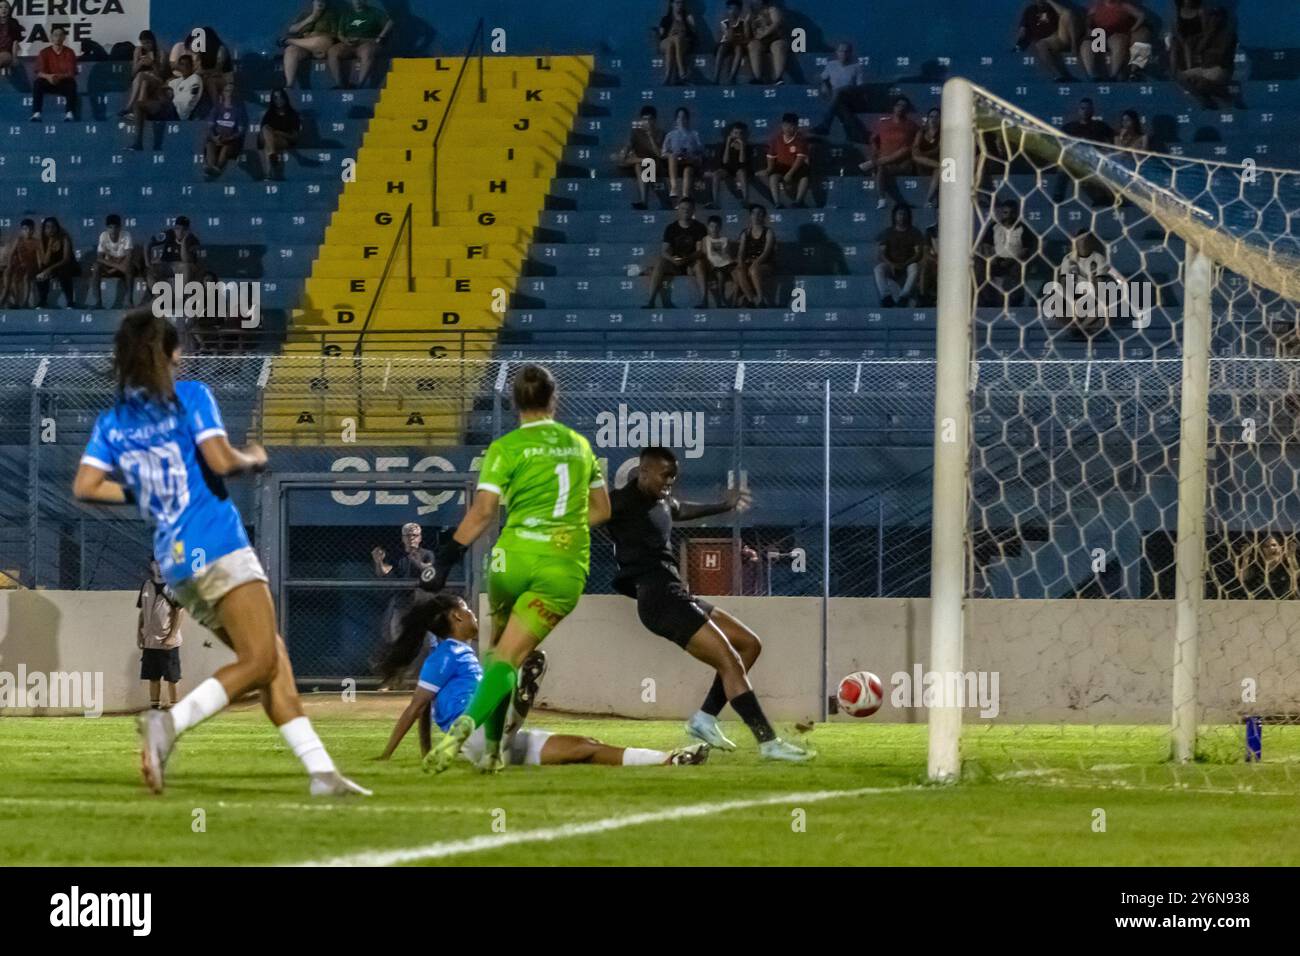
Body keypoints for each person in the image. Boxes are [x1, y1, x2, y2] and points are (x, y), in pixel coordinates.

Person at [73, 309, 369, 797]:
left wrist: (144, 493)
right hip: (217, 542)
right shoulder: (190, 397)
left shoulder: (113, 422)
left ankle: (322, 773)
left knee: (271, 658)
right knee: (258, 660)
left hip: (176, 562)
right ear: (168, 354)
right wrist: (255, 457)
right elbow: (220, 460)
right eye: (178, 349)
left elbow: (86, 486)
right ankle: (167, 726)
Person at [416, 364, 612, 775]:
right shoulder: (579, 446)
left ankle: (491, 752)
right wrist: (564, 528)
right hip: (561, 564)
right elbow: (601, 510)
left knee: (497, 658)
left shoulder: (504, 449)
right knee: (512, 659)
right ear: (554, 399)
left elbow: (483, 513)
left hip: (512, 559)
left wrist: (446, 560)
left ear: (513, 403)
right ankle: (467, 729)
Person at [605, 447, 813, 762]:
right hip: (659, 599)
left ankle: (704, 719)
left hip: (675, 593)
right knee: (729, 660)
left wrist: (724, 505)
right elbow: (588, 515)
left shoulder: (661, 500)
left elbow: (680, 509)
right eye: (664, 476)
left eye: (673, 478)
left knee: (748, 645)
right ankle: (768, 742)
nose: (669, 483)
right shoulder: (620, 502)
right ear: (643, 472)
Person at [376, 591, 709, 767]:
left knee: (584, 748)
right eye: (470, 611)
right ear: (458, 616)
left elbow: (423, 711)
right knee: (504, 670)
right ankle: (509, 714)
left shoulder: (456, 654)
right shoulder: (446, 654)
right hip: (475, 735)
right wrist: (388, 754)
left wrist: (425, 752)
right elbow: (415, 708)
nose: (475, 616)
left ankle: (669, 759)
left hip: (486, 745)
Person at [645, 196, 708, 309]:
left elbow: (700, 250)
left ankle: (704, 300)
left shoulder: (700, 227)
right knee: (660, 262)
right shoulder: (671, 228)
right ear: (678, 210)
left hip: (691, 263)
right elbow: (664, 251)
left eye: (688, 209)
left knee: (699, 263)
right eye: (683, 208)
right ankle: (651, 301)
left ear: (693, 211)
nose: (685, 211)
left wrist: (686, 259)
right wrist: (673, 260)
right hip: (674, 263)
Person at [138, 558, 183, 711]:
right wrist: (139, 633)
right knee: (153, 676)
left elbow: (179, 612)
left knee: (172, 676)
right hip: (150, 641)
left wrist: (172, 635)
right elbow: (142, 612)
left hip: (167, 642)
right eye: (155, 563)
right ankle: (154, 707)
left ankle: (175, 707)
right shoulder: (146, 586)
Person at [860, 96, 918, 210]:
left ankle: (873, 164)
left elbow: (913, 147)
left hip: (902, 163)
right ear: (894, 107)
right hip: (884, 162)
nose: (901, 108)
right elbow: (873, 141)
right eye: (899, 105)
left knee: (904, 150)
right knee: (882, 167)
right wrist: (874, 152)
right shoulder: (883, 123)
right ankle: (882, 199)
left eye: (904, 106)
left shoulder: (912, 126)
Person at [977, 199, 1035, 308]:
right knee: (979, 266)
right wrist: (992, 258)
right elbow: (985, 245)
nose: (1008, 216)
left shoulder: (1024, 229)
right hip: (994, 260)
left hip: (1014, 262)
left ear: (1017, 213)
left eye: (1011, 213)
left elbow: (1026, 250)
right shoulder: (994, 227)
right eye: (1005, 213)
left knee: (1018, 268)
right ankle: (987, 301)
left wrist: (1011, 260)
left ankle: (1012, 302)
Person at [1080, 0, 1151, 81]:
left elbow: (1141, 16)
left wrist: (1132, 29)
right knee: (1086, 44)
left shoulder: (1124, 5)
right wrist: (1089, 29)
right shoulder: (1096, 6)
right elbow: (1088, 20)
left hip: (1116, 34)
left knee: (1119, 42)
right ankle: (1093, 76)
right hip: (1100, 35)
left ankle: (1114, 75)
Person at [811, 42, 869, 142]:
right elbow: (822, 78)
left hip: (851, 95)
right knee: (841, 106)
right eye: (841, 51)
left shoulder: (856, 67)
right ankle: (858, 135)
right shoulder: (831, 65)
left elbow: (861, 86)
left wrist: (844, 89)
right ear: (837, 52)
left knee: (838, 91)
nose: (844, 54)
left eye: (846, 51)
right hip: (836, 97)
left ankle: (825, 125)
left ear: (850, 53)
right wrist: (824, 84)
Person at [1177, 7, 1236, 104]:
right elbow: (1197, 49)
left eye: (1216, 17)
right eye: (1211, 17)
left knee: (1202, 83)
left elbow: (1219, 56)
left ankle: (1222, 93)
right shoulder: (1206, 33)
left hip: (1221, 69)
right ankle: (1206, 96)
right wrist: (1209, 33)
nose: (1213, 20)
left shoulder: (1228, 34)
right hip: (1205, 69)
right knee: (1182, 76)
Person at [328, 0, 392, 89]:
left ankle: (360, 85)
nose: (357, 1)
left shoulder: (374, 12)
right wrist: (345, 40)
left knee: (367, 51)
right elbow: (340, 34)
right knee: (332, 51)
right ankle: (340, 85)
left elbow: (390, 22)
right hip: (349, 44)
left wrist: (380, 38)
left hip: (368, 42)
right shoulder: (347, 14)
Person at [875, 204, 924, 308]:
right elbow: (881, 253)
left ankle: (904, 297)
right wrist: (891, 264)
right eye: (899, 214)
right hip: (891, 264)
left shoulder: (914, 232)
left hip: (908, 263)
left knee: (915, 267)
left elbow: (918, 253)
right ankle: (886, 297)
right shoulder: (888, 232)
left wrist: (905, 264)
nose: (901, 217)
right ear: (894, 216)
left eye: (904, 214)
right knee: (878, 269)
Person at [1015, 1, 1078, 82]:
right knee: (1044, 48)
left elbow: (1068, 20)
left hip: (1059, 39)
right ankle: (1060, 75)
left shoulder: (1057, 8)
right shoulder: (1030, 10)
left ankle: (1065, 75)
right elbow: (1024, 29)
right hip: (1041, 42)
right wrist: (1020, 44)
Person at [169, 26, 232, 107]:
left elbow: (216, 69)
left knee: (209, 82)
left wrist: (198, 72)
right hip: (202, 77)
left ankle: (216, 107)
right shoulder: (196, 53)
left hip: (221, 78)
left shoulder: (220, 50)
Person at [282, 1, 340, 88]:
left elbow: (335, 34)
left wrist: (316, 34)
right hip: (305, 46)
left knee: (321, 40)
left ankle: (289, 41)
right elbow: (292, 30)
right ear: (313, 2)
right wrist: (311, 18)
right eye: (318, 0)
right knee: (290, 50)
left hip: (322, 44)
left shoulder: (332, 15)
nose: (320, 2)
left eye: (322, 0)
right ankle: (289, 84)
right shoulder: (305, 14)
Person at [617, 105, 664, 211]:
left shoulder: (660, 133)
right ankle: (643, 201)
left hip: (654, 165)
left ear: (654, 120)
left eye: (650, 119)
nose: (647, 122)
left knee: (642, 164)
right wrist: (625, 151)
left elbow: (659, 154)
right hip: (639, 160)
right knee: (634, 161)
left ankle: (644, 202)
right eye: (644, 119)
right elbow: (628, 146)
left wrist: (650, 136)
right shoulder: (636, 132)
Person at [90, 214, 138, 309]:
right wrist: (115, 268)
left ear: (120, 227)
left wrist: (116, 268)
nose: (113, 230)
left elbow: (128, 257)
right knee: (96, 267)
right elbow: (99, 258)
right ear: (107, 228)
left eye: (116, 227)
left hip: (124, 265)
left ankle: (129, 301)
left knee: (130, 268)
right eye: (110, 227)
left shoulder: (126, 235)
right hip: (113, 266)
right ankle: (98, 302)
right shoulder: (103, 236)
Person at [32, 25, 78, 122]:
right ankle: (37, 113)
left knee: (72, 84)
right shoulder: (44, 52)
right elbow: (39, 72)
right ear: (51, 37)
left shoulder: (70, 52)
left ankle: (69, 113)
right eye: (55, 35)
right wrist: (48, 76)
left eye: (60, 35)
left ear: (64, 37)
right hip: (48, 82)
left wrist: (58, 77)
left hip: (63, 82)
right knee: (38, 83)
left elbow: (71, 72)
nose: (58, 38)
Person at [765, 111, 810, 208]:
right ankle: (777, 203)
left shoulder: (800, 139)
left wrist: (790, 173)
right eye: (786, 125)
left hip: (796, 167)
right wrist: (769, 169)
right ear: (782, 126)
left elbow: (800, 158)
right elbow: (770, 156)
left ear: (797, 127)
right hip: (782, 166)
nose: (788, 129)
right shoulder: (777, 139)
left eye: (791, 126)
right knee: (773, 177)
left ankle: (798, 201)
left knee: (805, 177)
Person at [733, 203, 774, 307]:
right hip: (749, 262)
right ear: (750, 216)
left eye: (759, 214)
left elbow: (767, 252)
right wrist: (740, 263)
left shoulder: (768, 232)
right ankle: (751, 299)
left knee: (753, 270)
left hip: (765, 263)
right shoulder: (745, 233)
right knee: (738, 270)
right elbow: (741, 251)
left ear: (764, 216)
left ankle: (761, 299)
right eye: (754, 213)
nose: (756, 216)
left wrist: (756, 263)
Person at [203, 85, 248, 178]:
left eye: (232, 91)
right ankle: (211, 166)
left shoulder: (239, 111)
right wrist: (214, 137)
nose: (229, 93)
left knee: (226, 147)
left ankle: (218, 167)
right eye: (227, 91)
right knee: (209, 143)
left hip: (231, 141)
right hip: (217, 138)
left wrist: (229, 138)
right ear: (223, 93)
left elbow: (240, 131)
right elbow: (210, 127)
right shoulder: (217, 108)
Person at [121, 31, 169, 116]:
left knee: (141, 76)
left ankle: (129, 107)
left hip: (156, 80)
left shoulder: (161, 53)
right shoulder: (138, 51)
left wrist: (153, 64)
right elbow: (132, 74)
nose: (146, 46)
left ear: (153, 41)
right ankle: (139, 111)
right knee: (143, 81)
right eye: (143, 43)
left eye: (148, 43)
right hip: (141, 80)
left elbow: (162, 75)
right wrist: (140, 63)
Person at [258, 88, 302, 180]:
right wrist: (272, 133)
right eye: (275, 98)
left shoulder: (292, 114)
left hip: (283, 140)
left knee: (268, 145)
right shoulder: (269, 113)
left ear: (285, 98)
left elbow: (294, 137)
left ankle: (268, 174)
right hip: (267, 138)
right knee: (266, 130)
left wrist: (278, 133)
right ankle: (273, 155)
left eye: (280, 97)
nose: (278, 100)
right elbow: (262, 130)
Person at [661, 106, 704, 201]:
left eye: (684, 117)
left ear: (687, 119)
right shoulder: (670, 135)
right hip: (676, 162)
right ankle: (674, 187)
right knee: (672, 156)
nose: (681, 120)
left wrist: (690, 154)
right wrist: (675, 155)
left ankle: (685, 196)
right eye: (679, 117)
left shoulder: (694, 134)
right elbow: (663, 153)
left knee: (688, 170)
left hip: (690, 161)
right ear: (676, 120)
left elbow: (700, 149)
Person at [147, 215, 202, 285]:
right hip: (167, 265)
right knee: (151, 271)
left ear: (188, 230)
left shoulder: (193, 240)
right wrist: (148, 263)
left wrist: (184, 241)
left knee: (187, 268)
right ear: (174, 229)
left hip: (182, 267)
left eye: (184, 229)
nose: (180, 232)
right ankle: (158, 295)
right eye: (177, 228)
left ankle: (181, 295)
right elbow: (148, 243)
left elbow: (185, 260)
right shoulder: (168, 234)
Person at [709, 120, 752, 209]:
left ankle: (745, 200)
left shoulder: (747, 146)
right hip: (727, 168)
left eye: (740, 133)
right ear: (731, 133)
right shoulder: (724, 145)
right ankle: (715, 202)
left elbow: (742, 161)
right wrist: (728, 144)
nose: (738, 135)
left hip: (740, 168)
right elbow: (725, 161)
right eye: (735, 133)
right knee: (716, 175)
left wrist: (742, 146)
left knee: (742, 172)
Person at [35, 217, 76, 308]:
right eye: (48, 227)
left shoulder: (64, 238)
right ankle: (43, 301)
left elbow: (66, 259)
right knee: (40, 272)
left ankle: (70, 301)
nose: (50, 229)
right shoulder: (42, 240)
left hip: (67, 265)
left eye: (53, 227)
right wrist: (50, 244)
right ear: (44, 229)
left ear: (57, 228)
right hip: (52, 266)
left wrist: (49, 269)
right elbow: (45, 262)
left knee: (64, 272)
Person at [747, 0, 788, 85]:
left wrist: (764, 34)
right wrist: (746, 22)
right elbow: (748, 33)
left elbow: (777, 23)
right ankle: (757, 77)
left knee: (778, 46)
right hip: (759, 41)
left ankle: (778, 78)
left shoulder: (772, 9)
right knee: (753, 45)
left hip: (775, 38)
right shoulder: (751, 13)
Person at [0, 218, 38, 308]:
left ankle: (25, 302)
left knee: (24, 277)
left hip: (30, 266)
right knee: (12, 278)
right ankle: (13, 302)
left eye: (30, 229)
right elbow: (11, 255)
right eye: (25, 229)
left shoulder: (36, 242)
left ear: (33, 230)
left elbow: (38, 258)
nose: (28, 231)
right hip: (18, 266)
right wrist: (9, 266)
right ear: (22, 230)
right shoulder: (18, 240)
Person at [657, 0, 696, 86]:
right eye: (677, 3)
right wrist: (672, 35)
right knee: (672, 41)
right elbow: (662, 36)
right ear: (672, 4)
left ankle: (668, 76)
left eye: (681, 3)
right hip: (666, 42)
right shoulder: (665, 19)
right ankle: (682, 73)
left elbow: (693, 34)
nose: (680, 5)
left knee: (675, 42)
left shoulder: (687, 17)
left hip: (683, 43)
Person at [713, 0, 749, 85]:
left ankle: (732, 77)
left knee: (739, 49)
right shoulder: (725, 22)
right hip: (727, 43)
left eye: (735, 9)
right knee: (721, 49)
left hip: (739, 44)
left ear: (739, 10)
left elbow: (747, 36)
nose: (732, 11)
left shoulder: (743, 22)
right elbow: (729, 37)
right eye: (730, 9)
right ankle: (716, 77)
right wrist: (732, 23)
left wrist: (745, 25)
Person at [911, 107, 942, 207]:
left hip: (934, 161)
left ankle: (928, 200)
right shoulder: (921, 132)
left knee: (938, 169)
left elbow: (938, 149)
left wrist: (923, 154)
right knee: (916, 157)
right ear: (928, 119)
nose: (934, 119)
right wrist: (920, 155)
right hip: (922, 165)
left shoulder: (943, 133)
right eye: (931, 117)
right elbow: (915, 147)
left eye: (937, 117)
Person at [702, 215, 735, 307]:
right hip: (712, 265)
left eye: (717, 227)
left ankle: (728, 298)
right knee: (720, 274)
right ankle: (721, 297)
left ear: (720, 227)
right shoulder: (705, 239)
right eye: (712, 226)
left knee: (729, 273)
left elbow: (727, 254)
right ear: (708, 227)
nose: (714, 229)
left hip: (724, 264)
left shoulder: (724, 239)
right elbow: (704, 253)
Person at [0, 1, 24, 79]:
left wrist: (14, 58)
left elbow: (15, 41)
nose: (3, 9)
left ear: (9, 9)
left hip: (6, 52)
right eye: (0, 7)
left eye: (6, 7)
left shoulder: (13, 22)